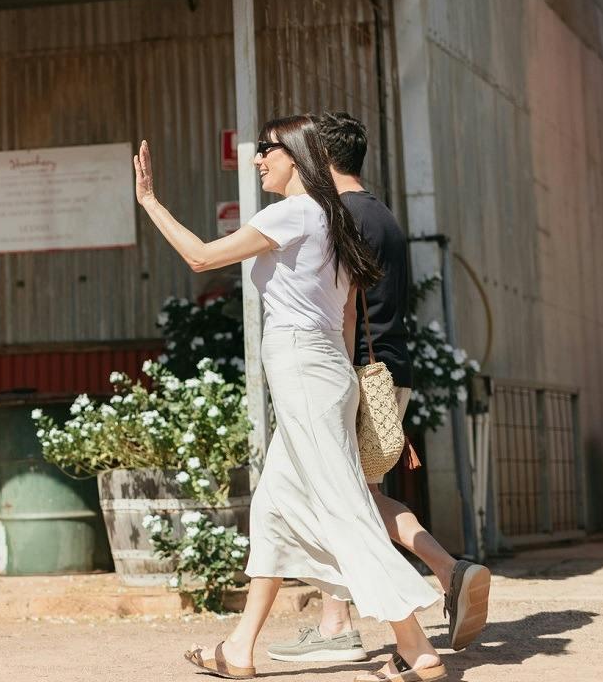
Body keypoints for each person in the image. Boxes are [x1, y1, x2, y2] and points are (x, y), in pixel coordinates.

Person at [135, 116, 446, 682]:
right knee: (273, 509)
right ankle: (241, 648)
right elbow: (347, 315)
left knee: (344, 506)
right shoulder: (333, 218)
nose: (258, 161)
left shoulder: (293, 212)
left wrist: (151, 202)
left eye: (267, 151)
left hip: (305, 372)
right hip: (320, 371)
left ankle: (419, 648)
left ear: (297, 154)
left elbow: (202, 257)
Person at [264, 112, 489, 666]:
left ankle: (445, 571)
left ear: (319, 156)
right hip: (390, 368)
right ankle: (339, 618)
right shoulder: (382, 213)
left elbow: (340, 307)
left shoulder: (335, 215)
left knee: (347, 498)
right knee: (348, 494)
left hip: (358, 370)